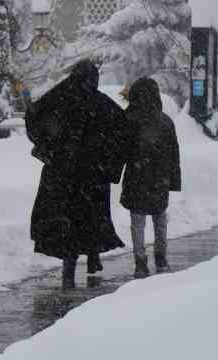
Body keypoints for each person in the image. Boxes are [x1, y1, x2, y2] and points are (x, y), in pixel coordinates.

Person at [25, 57, 126, 288]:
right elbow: (122, 128)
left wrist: (47, 147)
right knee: (91, 218)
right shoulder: (101, 103)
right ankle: (92, 257)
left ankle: (69, 268)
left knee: (66, 221)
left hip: (63, 174)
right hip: (93, 175)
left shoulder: (58, 98)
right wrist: (108, 160)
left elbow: (34, 115)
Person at [119, 78, 181, 277]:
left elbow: (121, 151)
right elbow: (174, 154)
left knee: (137, 221)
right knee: (160, 218)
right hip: (159, 179)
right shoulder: (166, 122)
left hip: (136, 178)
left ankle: (140, 262)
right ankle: (161, 258)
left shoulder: (129, 120)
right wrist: (173, 180)